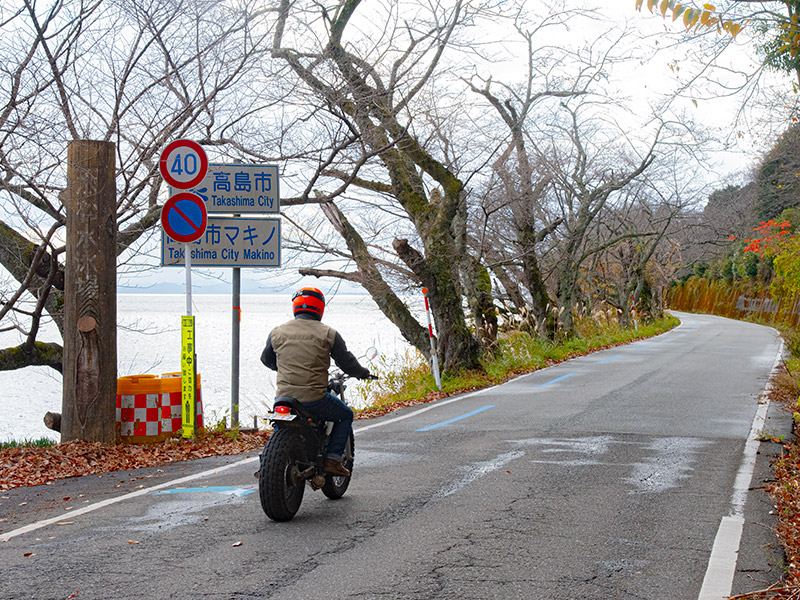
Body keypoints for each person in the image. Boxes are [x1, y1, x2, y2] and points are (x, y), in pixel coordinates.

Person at [260, 287, 372, 477]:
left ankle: (269, 462)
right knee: (345, 415)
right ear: (320, 307)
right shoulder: (328, 333)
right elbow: (346, 362)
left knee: (280, 422)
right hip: (314, 399)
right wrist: (362, 373)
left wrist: (283, 368)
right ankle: (333, 459)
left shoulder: (277, 332)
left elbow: (266, 359)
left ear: (295, 306)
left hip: (283, 398)